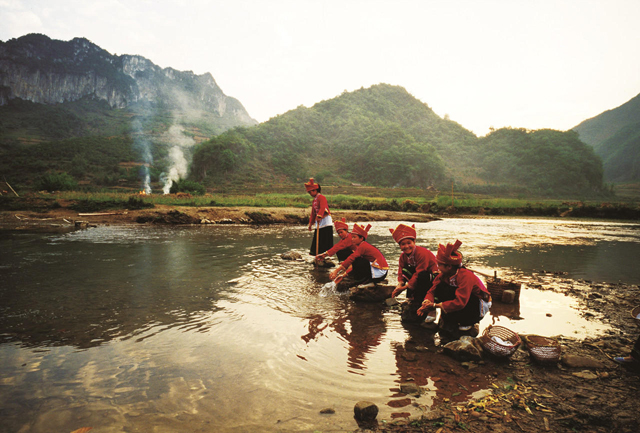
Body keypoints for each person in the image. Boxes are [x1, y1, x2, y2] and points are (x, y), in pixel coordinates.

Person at [417, 240, 491, 335]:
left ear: (448, 267)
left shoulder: (465, 276)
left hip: (477, 303)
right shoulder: (443, 275)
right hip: (462, 302)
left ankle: (469, 321)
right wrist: (427, 301)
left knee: (465, 304)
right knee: (441, 287)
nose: (437, 267)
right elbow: (432, 291)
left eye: (439, 265)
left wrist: (436, 305)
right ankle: (451, 318)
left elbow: (460, 302)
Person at [389, 224, 439, 323]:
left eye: (409, 243)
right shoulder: (403, 257)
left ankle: (428, 307)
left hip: (432, 277)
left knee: (422, 275)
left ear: (414, 242)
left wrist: (403, 288)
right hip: (418, 277)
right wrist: (400, 284)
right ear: (400, 246)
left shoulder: (422, 253)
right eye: (403, 244)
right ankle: (413, 298)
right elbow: (400, 270)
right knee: (406, 270)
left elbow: (420, 271)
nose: (406, 246)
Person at [329, 223, 388, 289]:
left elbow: (352, 258)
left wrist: (336, 271)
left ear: (361, 238)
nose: (352, 239)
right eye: (352, 237)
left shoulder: (363, 246)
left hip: (380, 272)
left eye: (354, 237)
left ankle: (367, 282)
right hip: (379, 271)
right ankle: (366, 281)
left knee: (358, 260)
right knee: (357, 260)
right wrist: (344, 275)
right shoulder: (361, 245)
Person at [305, 178, 333, 258]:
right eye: (309, 192)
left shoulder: (322, 197)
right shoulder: (314, 200)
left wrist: (320, 216)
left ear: (315, 190)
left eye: (311, 192)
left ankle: (325, 255)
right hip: (318, 220)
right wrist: (310, 223)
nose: (310, 193)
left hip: (325, 220)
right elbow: (313, 213)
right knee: (318, 237)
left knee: (324, 237)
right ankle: (317, 254)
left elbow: (323, 207)